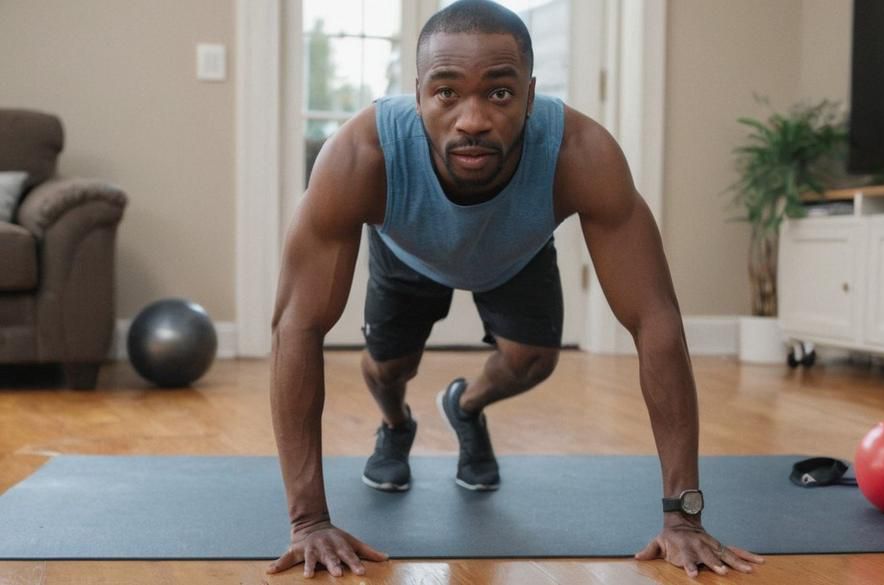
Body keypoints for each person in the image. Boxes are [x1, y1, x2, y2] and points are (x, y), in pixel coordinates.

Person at [267, 0, 764, 579]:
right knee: (389, 368)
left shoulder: (582, 153)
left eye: (499, 93)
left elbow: (655, 319)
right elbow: (296, 325)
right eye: (447, 93)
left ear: (529, 95)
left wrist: (684, 517)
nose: (472, 120)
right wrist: (308, 522)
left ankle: (464, 406)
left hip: (514, 252)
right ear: (418, 94)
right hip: (408, 253)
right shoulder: (361, 156)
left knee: (533, 360)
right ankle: (396, 424)